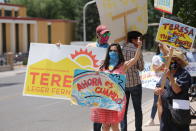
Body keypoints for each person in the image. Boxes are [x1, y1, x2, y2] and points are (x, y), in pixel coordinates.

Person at [91, 41, 142, 131]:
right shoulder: (103, 66)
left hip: (117, 100)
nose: (113, 53)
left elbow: (135, 59)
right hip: (104, 99)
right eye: (111, 51)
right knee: (105, 126)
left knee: (115, 126)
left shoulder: (123, 65)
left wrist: (139, 46)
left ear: (119, 52)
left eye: (115, 51)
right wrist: (58, 48)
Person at [154, 49, 191, 131]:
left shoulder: (184, 74)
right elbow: (159, 87)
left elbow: (177, 90)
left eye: (178, 59)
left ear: (181, 62)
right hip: (166, 114)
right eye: (173, 59)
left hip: (179, 113)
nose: (175, 62)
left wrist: (170, 77)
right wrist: (156, 90)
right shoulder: (165, 73)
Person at [87, 25, 111, 131]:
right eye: (104, 34)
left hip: (108, 85)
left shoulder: (112, 48)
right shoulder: (90, 47)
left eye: (108, 34)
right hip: (95, 85)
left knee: (106, 117)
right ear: (97, 35)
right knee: (97, 114)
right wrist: (59, 48)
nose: (106, 36)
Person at [120, 31, 144, 131]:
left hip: (122, 83)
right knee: (137, 109)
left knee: (123, 111)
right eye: (139, 39)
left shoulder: (120, 49)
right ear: (134, 39)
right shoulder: (137, 50)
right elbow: (141, 67)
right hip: (135, 83)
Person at [145, 44, 168, 126]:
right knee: (156, 101)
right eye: (160, 46)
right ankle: (151, 119)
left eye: (163, 46)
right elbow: (155, 70)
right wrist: (162, 65)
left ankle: (167, 119)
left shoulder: (170, 57)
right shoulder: (156, 57)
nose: (161, 48)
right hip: (158, 82)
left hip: (168, 82)